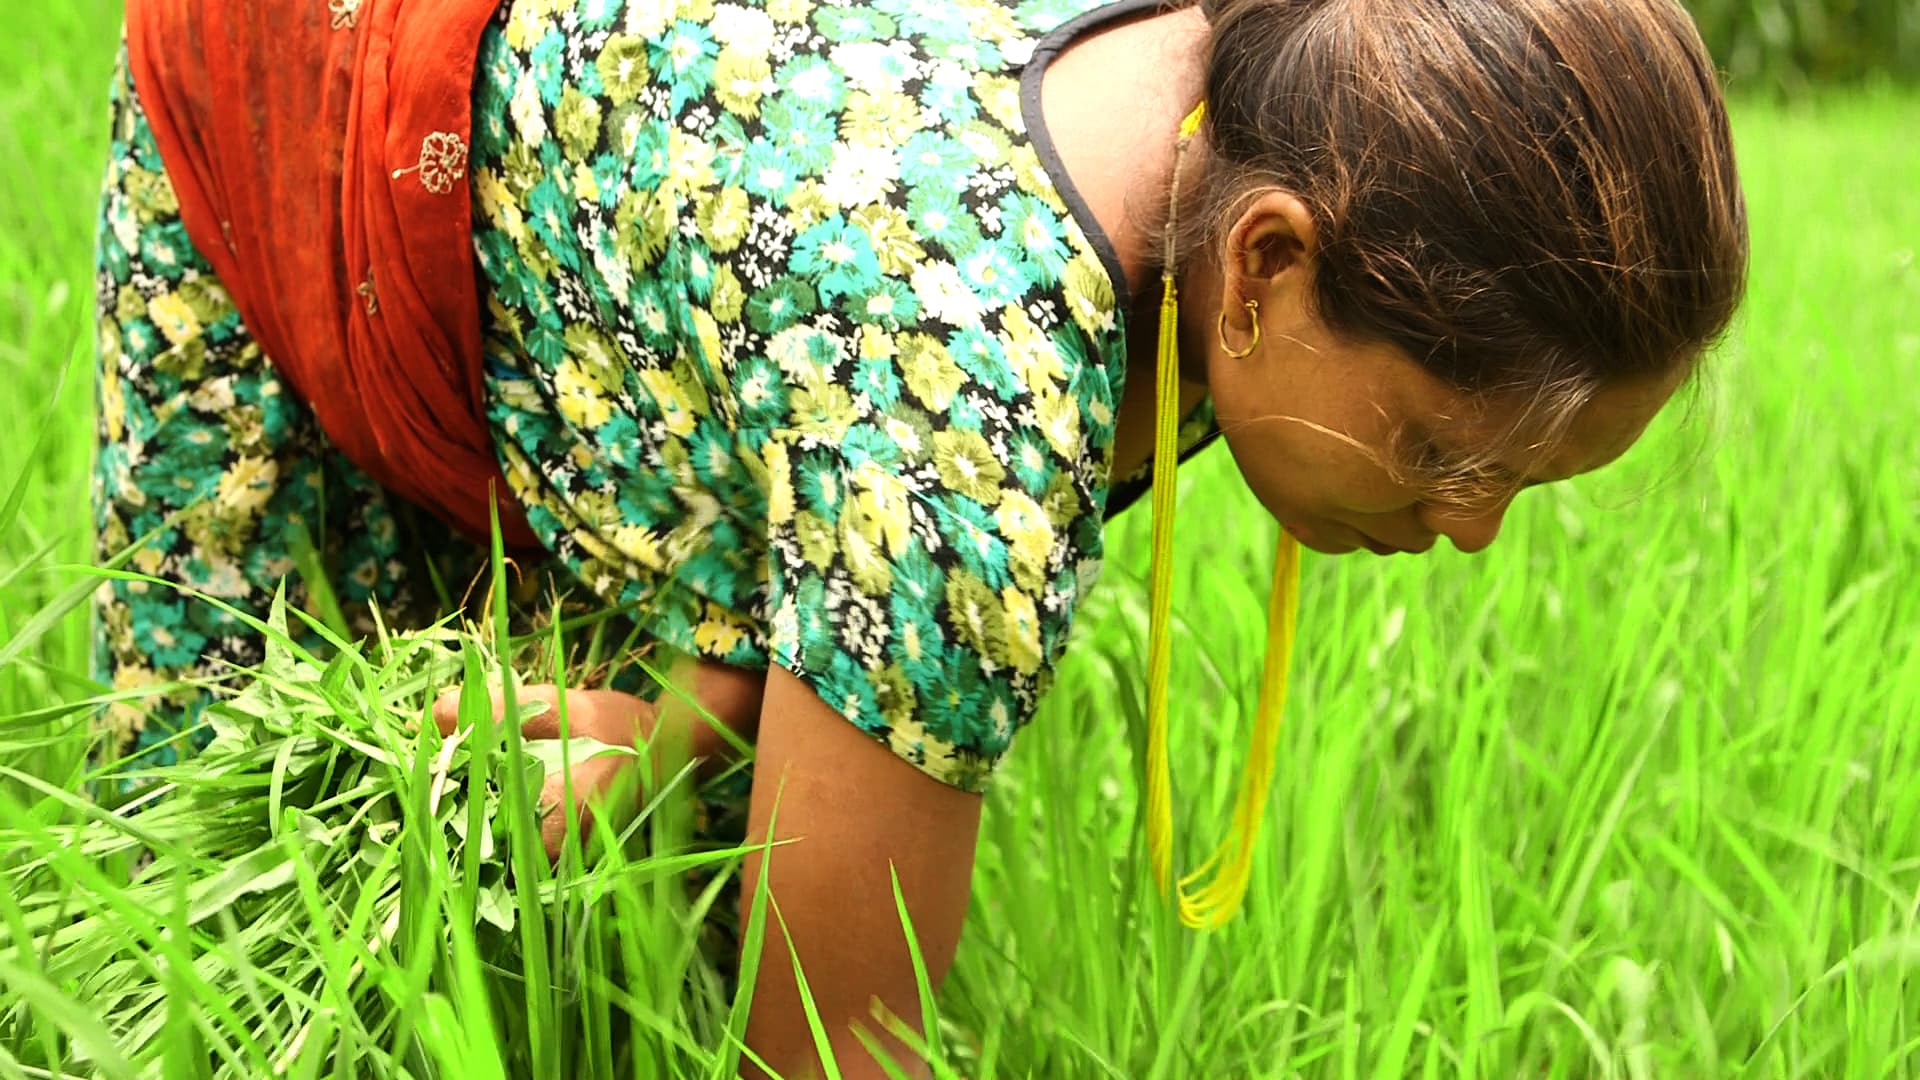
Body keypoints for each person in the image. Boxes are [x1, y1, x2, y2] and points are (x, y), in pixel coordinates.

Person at [92, 0, 1747, 1075]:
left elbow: (806, 425)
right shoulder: (972, 431)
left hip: (630, 218)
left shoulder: (1258, 84)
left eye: (1525, 488)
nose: (1468, 537)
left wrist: (689, 726)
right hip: (307, 80)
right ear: (1262, 267)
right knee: (211, 861)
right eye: (1445, 453)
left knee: (553, 834)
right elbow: (824, 1050)